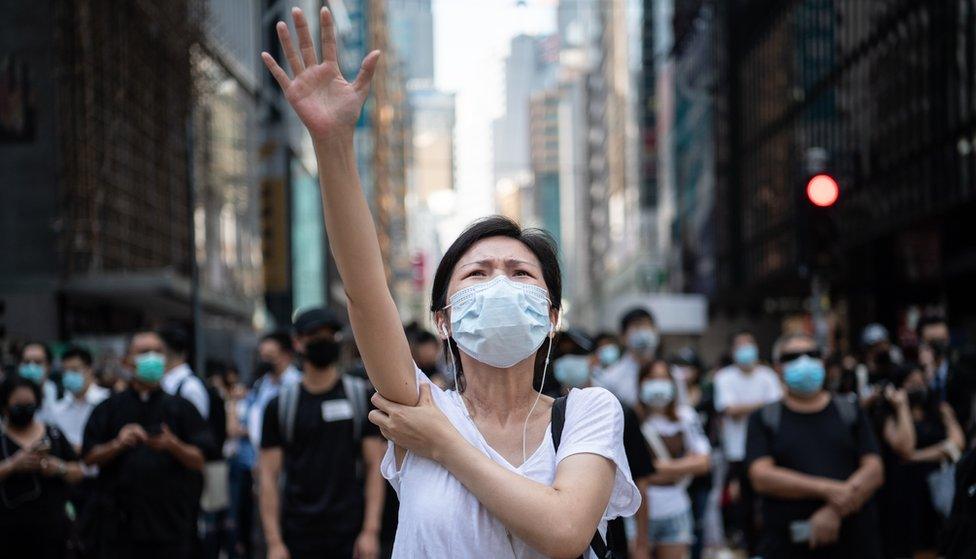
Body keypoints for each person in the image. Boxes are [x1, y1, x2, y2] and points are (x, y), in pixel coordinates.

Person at [260, 9, 641, 557]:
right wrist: (333, 144)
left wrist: (443, 444)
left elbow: (564, 531)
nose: (500, 285)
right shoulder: (417, 403)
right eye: (477, 274)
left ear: (552, 313)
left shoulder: (587, 411)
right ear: (443, 318)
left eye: (520, 273)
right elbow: (366, 288)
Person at [259, 306, 385, 559]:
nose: (324, 341)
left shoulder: (360, 397)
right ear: (298, 342)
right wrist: (274, 542)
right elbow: (267, 475)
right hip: (297, 533)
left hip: (350, 533)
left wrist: (370, 530)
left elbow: (375, 466)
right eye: (315, 335)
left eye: (330, 335)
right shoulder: (279, 406)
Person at [746, 331, 884, 558]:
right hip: (789, 544)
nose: (804, 362)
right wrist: (828, 489)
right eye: (793, 357)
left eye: (812, 354)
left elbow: (874, 469)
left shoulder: (849, 410)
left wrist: (833, 511)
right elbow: (761, 476)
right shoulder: (765, 418)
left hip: (855, 541)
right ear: (777, 367)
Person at [82, 330, 214, 558]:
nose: (152, 358)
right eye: (144, 352)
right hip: (119, 528)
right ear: (127, 361)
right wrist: (118, 444)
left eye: (158, 352)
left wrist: (172, 445)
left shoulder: (181, 407)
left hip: (171, 526)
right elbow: (89, 457)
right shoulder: (109, 408)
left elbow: (200, 459)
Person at [873, 364, 964, 559]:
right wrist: (902, 406)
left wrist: (917, 456)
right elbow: (904, 446)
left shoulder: (939, 409)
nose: (918, 387)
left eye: (921, 382)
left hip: (935, 485)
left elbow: (957, 443)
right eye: (911, 383)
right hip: (902, 491)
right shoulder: (887, 413)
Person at [632, 359, 710, 559]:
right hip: (637, 513)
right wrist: (683, 466)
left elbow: (703, 462)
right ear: (640, 382)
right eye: (651, 378)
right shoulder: (631, 418)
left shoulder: (686, 417)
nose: (657, 384)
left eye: (663, 378)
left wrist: (657, 469)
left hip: (676, 509)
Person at [0, 375, 85, 559]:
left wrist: (58, 468)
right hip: (9, 534)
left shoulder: (53, 434)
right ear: (5, 406)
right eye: (17, 405)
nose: (24, 410)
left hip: (54, 533)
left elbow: (79, 471)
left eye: (29, 404)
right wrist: (13, 465)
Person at [713, 330, 781, 549]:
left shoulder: (767, 375)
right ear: (733, 351)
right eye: (740, 346)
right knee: (742, 504)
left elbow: (777, 409)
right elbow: (729, 409)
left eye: (749, 344)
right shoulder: (724, 377)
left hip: (769, 450)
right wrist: (762, 405)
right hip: (737, 452)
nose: (746, 350)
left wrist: (748, 408)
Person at [917, 314, 975, 433]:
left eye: (942, 341)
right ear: (921, 342)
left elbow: (966, 415)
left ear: (948, 339)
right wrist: (927, 376)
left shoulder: (962, 372)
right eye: (932, 342)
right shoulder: (914, 373)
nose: (938, 347)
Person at [49, 345, 110, 452]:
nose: (69, 375)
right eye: (65, 371)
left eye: (74, 370)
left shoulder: (107, 401)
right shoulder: (57, 409)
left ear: (89, 369)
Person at [597, 307, 661, 408]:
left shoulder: (671, 374)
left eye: (647, 326)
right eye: (637, 327)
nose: (643, 332)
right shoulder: (610, 378)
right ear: (623, 337)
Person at [16, 341, 59, 420]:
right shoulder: (9, 398)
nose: (31, 368)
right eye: (26, 362)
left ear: (49, 366)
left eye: (38, 362)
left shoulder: (61, 396)